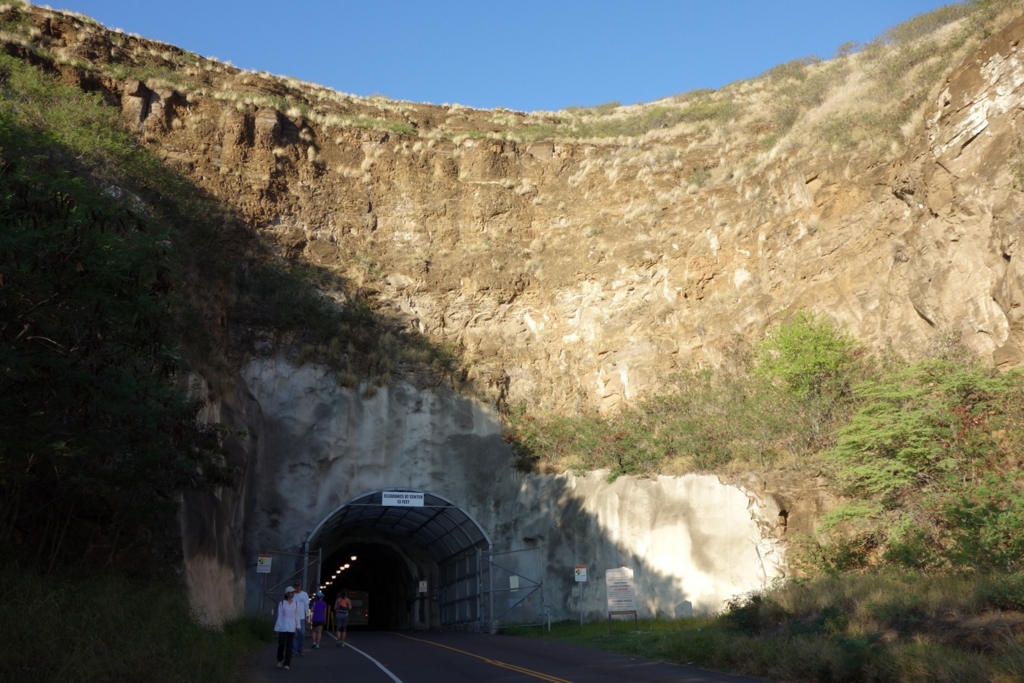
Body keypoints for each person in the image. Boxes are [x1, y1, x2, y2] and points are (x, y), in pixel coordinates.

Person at [273, 587, 302, 670]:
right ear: (287, 594)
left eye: (293, 592)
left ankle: (287, 663)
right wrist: (277, 628)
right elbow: (279, 616)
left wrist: (298, 626)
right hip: (282, 627)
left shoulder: (296, 603)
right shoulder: (282, 603)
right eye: (291, 592)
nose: (293, 594)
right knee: (281, 644)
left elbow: (297, 615)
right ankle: (280, 660)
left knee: (289, 646)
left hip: (291, 628)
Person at [292, 582, 310, 657]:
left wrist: (307, 616)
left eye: (298, 585)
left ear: (300, 586)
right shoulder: (292, 594)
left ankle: (300, 649)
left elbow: (306, 605)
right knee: (292, 634)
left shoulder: (304, 594)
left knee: (302, 634)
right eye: (296, 586)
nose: (297, 587)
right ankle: (294, 650)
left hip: (301, 617)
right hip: (293, 618)